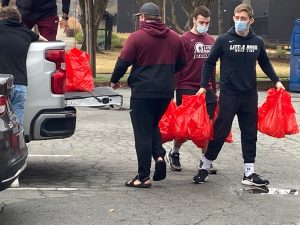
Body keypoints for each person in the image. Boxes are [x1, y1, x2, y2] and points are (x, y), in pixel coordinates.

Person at [195, 3, 285, 186]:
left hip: (249, 95)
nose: (239, 21)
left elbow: (265, 64)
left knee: (249, 133)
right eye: (236, 18)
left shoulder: (257, 42)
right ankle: (205, 166)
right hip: (229, 94)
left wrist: (276, 81)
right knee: (220, 131)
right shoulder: (224, 40)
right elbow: (209, 63)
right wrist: (204, 85)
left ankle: (249, 173)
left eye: (243, 19)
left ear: (251, 20)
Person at [110, 2, 186, 188]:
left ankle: (143, 176)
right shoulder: (175, 38)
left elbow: (122, 63)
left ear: (142, 18)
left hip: (143, 92)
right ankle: (159, 156)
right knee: (152, 125)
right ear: (159, 18)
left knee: (142, 133)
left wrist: (115, 80)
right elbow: (182, 62)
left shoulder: (136, 38)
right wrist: (165, 76)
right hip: (165, 92)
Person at [166, 6, 218, 176]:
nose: (204, 25)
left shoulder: (211, 40)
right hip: (186, 86)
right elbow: (176, 65)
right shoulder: (184, 39)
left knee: (206, 126)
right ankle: (174, 152)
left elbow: (212, 67)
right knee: (185, 126)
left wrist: (214, 88)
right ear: (194, 20)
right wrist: (173, 88)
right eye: (201, 22)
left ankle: (205, 160)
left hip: (206, 89)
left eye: (207, 22)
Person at [0, 6, 46, 188]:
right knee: (15, 130)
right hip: (19, 86)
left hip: (1, 84)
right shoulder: (26, 32)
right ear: (18, 19)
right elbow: (44, 40)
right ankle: (14, 176)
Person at [1, 0, 70, 41]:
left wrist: (65, 16)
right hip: (24, 13)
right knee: (17, 42)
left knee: (49, 46)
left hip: (48, 13)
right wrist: (3, 9)